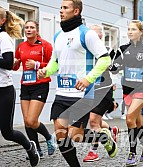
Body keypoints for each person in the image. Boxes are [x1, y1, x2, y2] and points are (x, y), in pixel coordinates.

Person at [37, 1, 117, 166]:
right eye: (60, 7)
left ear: (76, 11)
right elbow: (55, 61)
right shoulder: (58, 35)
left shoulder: (86, 34)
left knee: (75, 134)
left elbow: (105, 59)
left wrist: (89, 78)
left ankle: (103, 136)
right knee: (60, 134)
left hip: (82, 93)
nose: (61, 11)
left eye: (65, 8)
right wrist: (46, 70)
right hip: (62, 92)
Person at [110, 20, 143, 166]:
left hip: (142, 89)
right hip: (128, 90)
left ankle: (132, 152)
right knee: (136, 122)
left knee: (129, 119)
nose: (130, 32)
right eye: (129, 29)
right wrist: (113, 65)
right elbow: (115, 68)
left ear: (141, 32)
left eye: (133, 29)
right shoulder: (122, 49)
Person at [0, 6, 40, 167]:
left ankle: (30, 147)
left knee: (7, 132)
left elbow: (9, 63)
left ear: (2, 21)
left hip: (4, 91)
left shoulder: (3, 37)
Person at [13, 20, 57, 159]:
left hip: (40, 85)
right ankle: (36, 149)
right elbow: (15, 66)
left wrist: (37, 64)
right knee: (27, 121)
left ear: (37, 30)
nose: (29, 30)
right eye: (26, 27)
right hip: (26, 84)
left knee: (32, 120)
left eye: (32, 27)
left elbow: (55, 64)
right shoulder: (21, 46)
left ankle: (49, 137)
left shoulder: (45, 45)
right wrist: (14, 63)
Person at [83, 24, 119, 162]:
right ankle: (110, 131)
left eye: (94, 33)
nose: (90, 36)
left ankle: (93, 151)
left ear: (100, 36)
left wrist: (114, 84)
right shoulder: (85, 50)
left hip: (104, 89)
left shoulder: (107, 50)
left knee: (93, 121)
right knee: (95, 121)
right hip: (89, 89)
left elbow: (115, 69)